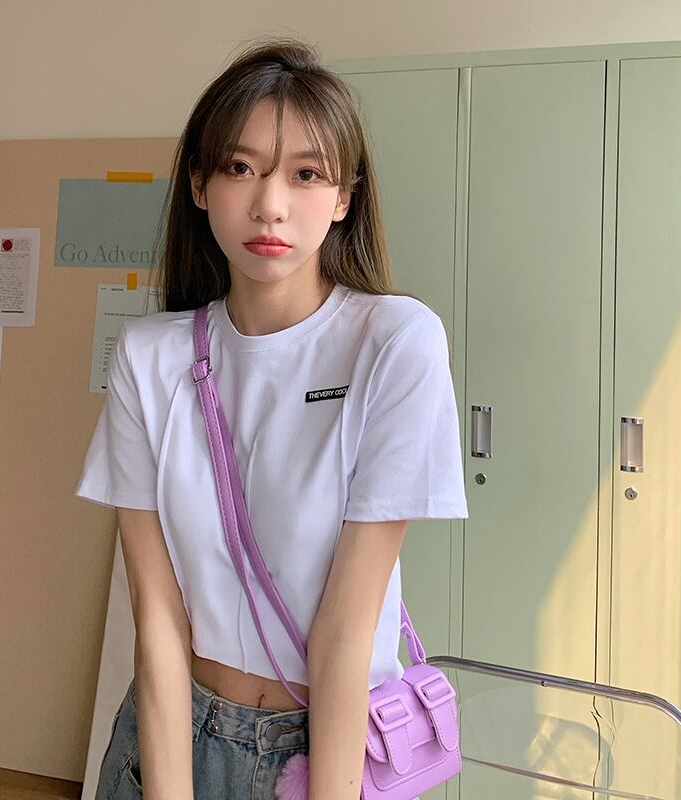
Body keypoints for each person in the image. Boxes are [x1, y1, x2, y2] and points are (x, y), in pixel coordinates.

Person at [75, 34, 468, 800]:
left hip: (325, 747)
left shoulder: (394, 342)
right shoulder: (148, 357)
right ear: (199, 184)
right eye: (240, 167)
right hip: (169, 733)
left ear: (345, 197)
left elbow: (347, 630)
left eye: (306, 174)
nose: (271, 205)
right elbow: (157, 619)